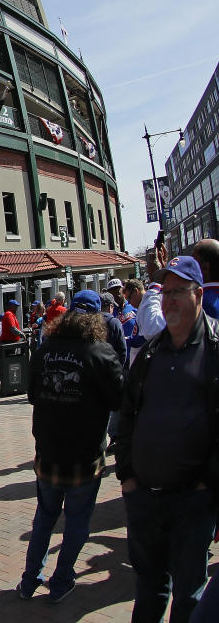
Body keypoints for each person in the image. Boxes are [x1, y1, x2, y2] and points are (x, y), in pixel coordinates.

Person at [114, 255, 219, 623]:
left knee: (189, 592)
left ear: (199, 295)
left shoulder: (215, 350)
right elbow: (126, 415)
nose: (170, 300)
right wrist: (127, 476)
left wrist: (209, 483)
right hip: (145, 500)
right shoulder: (151, 352)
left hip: (194, 501)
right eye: (166, 292)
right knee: (150, 589)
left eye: (179, 291)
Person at [18, 290, 123, 602]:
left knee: (45, 517)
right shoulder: (101, 352)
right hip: (83, 453)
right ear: (95, 318)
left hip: (48, 449)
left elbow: (33, 394)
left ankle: (29, 581)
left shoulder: (45, 349)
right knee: (76, 520)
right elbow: (119, 399)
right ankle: (61, 580)